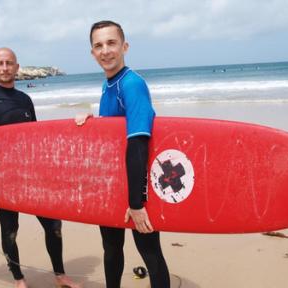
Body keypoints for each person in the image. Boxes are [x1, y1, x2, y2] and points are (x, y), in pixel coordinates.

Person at [0, 47, 80, 288]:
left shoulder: (25, 100)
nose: (5, 68)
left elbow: (35, 141)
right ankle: (19, 279)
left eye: (9, 63)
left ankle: (60, 276)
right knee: (10, 230)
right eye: (0, 63)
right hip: (3, 181)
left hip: (34, 178)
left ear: (17, 67)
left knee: (54, 226)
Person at [75, 21, 170, 288]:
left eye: (111, 43)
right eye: (98, 45)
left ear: (124, 46)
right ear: (92, 53)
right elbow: (116, 133)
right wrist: (96, 121)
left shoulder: (131, 84)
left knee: (150, 254)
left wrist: (137, 204)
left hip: (137, 189)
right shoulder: (109, 85)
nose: (105, 50)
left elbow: (139, 144)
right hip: (113, 187)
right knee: (111, 249)